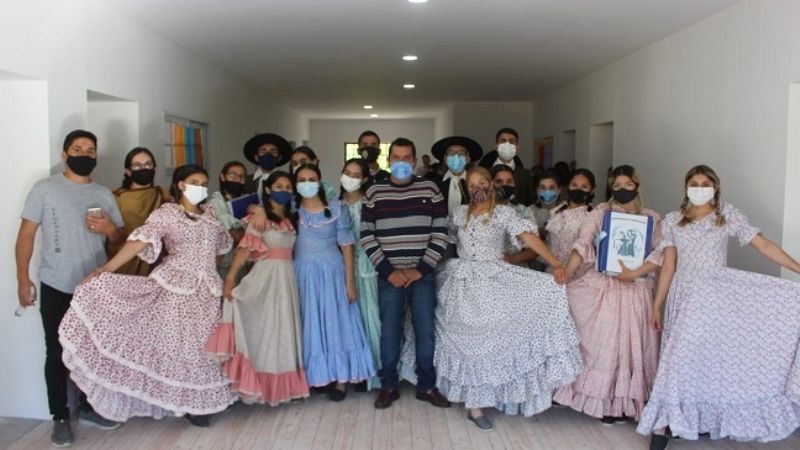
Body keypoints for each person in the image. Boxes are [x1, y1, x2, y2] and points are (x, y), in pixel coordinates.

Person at [57, 164, 237, 427]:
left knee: (203, 347)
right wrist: (107, 268)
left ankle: (197, 404)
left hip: (207, 291)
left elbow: (221, 247)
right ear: (181, 184)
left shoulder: (211, 215)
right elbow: (139, 241)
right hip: (175, 288)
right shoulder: (168, 213)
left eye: (204, 182)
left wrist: (208, 270)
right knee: (176, 346)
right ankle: (176, 400)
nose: (201, 186)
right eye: (194, 181)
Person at [637, 165, 800, 449]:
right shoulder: (674, 220)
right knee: (677, 357)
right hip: (685, 296)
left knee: (707, 359)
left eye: (706, 182)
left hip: (717, 295)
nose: (700, 187)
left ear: (716, 187)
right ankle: (663, 424)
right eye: (694, 182)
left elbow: (762, 245)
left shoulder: (726, 215)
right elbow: (669, 265)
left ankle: (690, 421)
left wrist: (799, 269)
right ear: (686, 187)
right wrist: (657, 305)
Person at [434, 167, 581, 431]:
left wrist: (555, 263)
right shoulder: (458, 215)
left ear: (491, 185)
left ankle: (493, 394)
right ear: (467, 188)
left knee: (491, 341)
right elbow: (447, 243)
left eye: (482, 182)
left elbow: (529, 239)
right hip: (462, 281)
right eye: (472, 184)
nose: (477, 188)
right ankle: (473, 405)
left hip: (493, 277)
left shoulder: (503, 213)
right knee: (466, 342)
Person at [15, 129, 124, 447]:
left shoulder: (104, 193)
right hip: (55, 283)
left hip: (95, 286)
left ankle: (90, 407)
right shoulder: (45, 188)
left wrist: (109, 229)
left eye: (91, 150)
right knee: (57, 351)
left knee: (95, 349)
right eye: (78, 149)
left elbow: (119, 239)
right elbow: (26, 236)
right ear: (64, 154)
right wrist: (23, 278)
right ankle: (60, 417)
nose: (85, 155)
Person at [553, 165, 662, 425]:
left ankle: (624, 403)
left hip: (635, 289)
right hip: (605, 286)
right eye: (617, 185)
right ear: (610, 187)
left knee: (629, 347)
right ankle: (604, 402)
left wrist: (635, 272)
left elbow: (660, 254)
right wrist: (566, 274)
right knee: (606, 345)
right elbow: (583, 243)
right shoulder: (602, 213)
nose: (622, 190)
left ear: (637, 186)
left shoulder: (652, 218)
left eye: (627, 185)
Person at [361, 137, 451, 410]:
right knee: (389, 333)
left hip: (422, 275)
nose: (401, 163)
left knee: (426, 333)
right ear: (389, 161)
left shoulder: (431, 188)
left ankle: (427, 386)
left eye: (406, 158)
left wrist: (419, 269)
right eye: (396, 158)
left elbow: (440, 232)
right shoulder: (374, 192)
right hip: (389, 277)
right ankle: (388, 385)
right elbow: (367, 235)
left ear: (414, 160)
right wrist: (388, 271)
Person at [207, 170, 309, 405]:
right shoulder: (260, 218)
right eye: (278, 186)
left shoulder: (292, 218)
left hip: (287, 277)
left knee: (283, 328)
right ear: (269, 189)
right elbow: (244, 250)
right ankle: (260, 383)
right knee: (264, 329)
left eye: (287, 186)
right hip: (265, 277)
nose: (283, 190)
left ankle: (283, 385)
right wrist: (231, 280)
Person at [293, 163, 375, 401]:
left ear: (319, 182)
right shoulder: (291, 210)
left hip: (332, 273)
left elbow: (347, 247)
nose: (307, 183)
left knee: (337, 325)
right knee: (311, 325)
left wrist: (349, 282)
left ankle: (340, 380)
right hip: (302, 275)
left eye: (311, 178)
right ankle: (316, 377)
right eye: (302, 179)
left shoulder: (337, 208)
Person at [340, 158, 382, 391]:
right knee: (347, 324)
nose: (350, 178)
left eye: (356, 175)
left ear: (365, 179)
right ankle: (350, 373)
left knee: (370, 320)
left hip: (368, 270)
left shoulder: (371, 205)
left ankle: (373, 373)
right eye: (347, 173)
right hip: (341, 271)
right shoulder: (334, 205)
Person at [107, 147, 169, 276]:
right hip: (122, 260)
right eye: (137, 166)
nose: (144, 168)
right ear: (128, 172)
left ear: (154, 168)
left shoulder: (163, 195)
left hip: (154, 264)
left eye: (148, 164)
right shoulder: (116, 197)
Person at [544, 169, 596, 280]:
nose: (578, 189)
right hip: (552, 272)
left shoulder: (593, 215)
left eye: (584, 187)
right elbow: (549, 242)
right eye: (574, 185)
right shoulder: (556, 211)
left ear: (592, 190)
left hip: (579, 277)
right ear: (568, 186)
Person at [491, 164, 539, 267]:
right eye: (499, 182)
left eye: (509, 182)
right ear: (491, 184)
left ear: (515, 185)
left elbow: (535, 249)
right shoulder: (482, 211)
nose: (505, 185)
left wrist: (513, 259)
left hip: (516, 269)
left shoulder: (523, 211)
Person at [207, 160, 249, 279]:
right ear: (222, 176)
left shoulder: (247, 201)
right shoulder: (215, 203)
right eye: (233, 175)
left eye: (242, 176)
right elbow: (239, 237)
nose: (237, 179)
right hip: (224, 264)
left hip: (244, 262)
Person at [478, 127, 534, 206]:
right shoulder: (484, 173)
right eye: (503, 141)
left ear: (517, 147)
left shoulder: (526, 174)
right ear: (496, 146)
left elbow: (529, 203)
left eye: (511, 141)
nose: (507, 144)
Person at [431, 136, 484, 216]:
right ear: (445, 158)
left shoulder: (476, 184)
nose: (456, 157)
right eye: (451, 153)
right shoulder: (435, 183)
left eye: (461, 153)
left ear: (467, 158)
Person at [242, 133, 292, 200]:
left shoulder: (287, 181)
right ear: (256, 157)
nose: (268, 155)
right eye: (263, 151)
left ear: (279, 157)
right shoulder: (246, 181)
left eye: (273, 152)